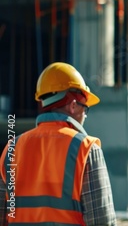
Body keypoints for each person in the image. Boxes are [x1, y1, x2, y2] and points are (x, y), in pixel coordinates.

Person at [0, 62, 116, 225]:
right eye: (85, 108)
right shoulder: (86, 149)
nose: (85, 116)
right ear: (73, 105)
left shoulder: (11, 149)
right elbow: (102, 221)